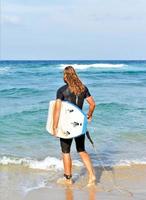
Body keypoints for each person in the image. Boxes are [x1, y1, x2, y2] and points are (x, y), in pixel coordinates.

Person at [53, 66, 96, 186]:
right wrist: (89, 115)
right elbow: (92, 104)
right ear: (75, 75)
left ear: (65, 76)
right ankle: (92, 176)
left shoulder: (61, 90)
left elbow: (57, 110)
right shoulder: (83, 88)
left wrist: (55, 127)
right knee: (81, 150)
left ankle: (68, 179)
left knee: (66, 152)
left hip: (66, 125)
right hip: (79, 124)